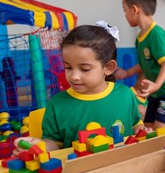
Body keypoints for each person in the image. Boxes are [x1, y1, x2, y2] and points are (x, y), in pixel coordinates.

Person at [14, 25, 143, 154]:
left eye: (85, 69)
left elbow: (136, 125)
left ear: (108, 67)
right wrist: (39, 146)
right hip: (80, 171)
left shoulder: (125, 95)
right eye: (68, 67)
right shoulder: (57, 104)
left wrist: (141, 130)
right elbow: (54, 143)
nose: (74, 76)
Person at [116, 0, 165, 129]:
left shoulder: (157, 35)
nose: (124, 15)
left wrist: (157, 85)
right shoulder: (140, 37)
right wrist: (127, 73)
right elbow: (145, 63)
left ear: (135, 9)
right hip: (156, 93)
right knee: (148, 125)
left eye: (125, 10)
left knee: (160, 126)